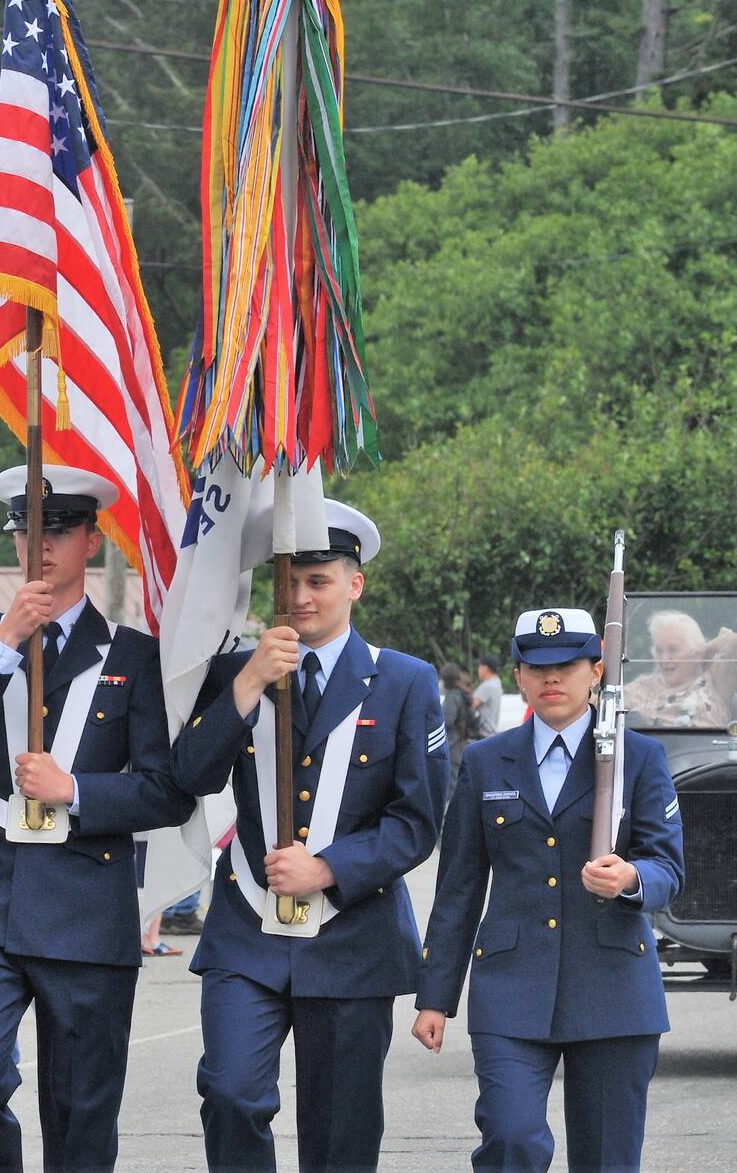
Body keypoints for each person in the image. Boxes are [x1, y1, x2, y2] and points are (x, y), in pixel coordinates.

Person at [0, 465, 193, 1173]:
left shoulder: (133, 657)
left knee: (82, 1112)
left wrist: (75, 788)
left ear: (90, 535)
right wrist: (4, 642)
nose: (41, 545)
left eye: (59, 529)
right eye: (27, 529)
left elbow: (167, 792)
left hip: (86, 906)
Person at [171, 500, 447, 1173]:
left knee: (341, 1128)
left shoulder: (405, 682)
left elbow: (417, 820)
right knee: (231, 1092)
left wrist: (329, 867)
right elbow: (189, 775)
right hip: (247, 932)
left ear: (355, 584)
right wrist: (247, 683)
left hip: (352, 937)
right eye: (289, 578)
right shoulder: (234, 670)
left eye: (318, 580)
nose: (299, 596)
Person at [413, 607, 685, 1173]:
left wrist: (631, 879)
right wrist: (436, 996)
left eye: (567, 665)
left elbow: (668, 867)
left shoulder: (640, 758)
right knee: (511, 1140)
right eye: (537, 668)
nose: (551, 679)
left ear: (597, 670)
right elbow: (459, 886)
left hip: (612, 988)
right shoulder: (487, 763)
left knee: (607, 1158)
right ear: (518, 676)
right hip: (512, 987)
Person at [625, 609, 737, 728]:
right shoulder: (642, 686)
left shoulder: (714, 682)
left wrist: (703, 652)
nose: (664, 659)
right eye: (659, 651)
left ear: (695, 652)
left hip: (704, 746)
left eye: (673, 650)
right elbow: (610, 706)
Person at [442, 662, 478, 778]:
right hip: (462, 739)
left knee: (452, 778)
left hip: (453, 742)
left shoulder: (452, 696)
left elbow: (448, 720)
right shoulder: (462, 694)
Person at [472, 655, 504, 740]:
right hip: (491, 732)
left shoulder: (487, 686)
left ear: (485, 668)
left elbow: (472, 706)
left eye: (479, 667)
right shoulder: (497, 682)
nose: (478, 670)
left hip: (484, 733)